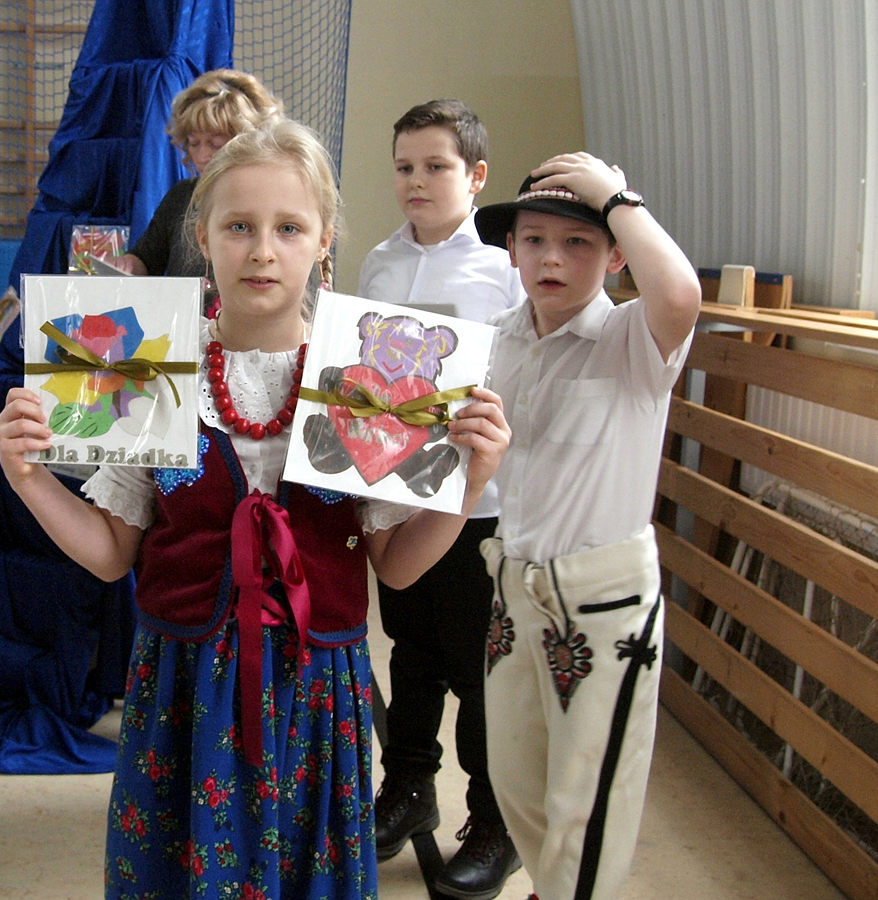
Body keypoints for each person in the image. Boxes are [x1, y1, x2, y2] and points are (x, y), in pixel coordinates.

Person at [0, 119, 511, 899]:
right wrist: (30, 477)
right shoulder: (153, 363)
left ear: (324, 241)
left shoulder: (364, 378)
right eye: (238, 226)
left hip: (316, 690)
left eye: (288, 228)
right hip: (183, 687)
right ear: (202, 237)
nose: (262, 250)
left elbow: (399, 569)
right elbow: (109, 553)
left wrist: (468, 487)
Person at [473, 152, 701, 900]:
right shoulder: (496, 338)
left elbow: (682, 293)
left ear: (614, 255)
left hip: (602, 604)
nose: (552, 259)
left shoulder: (636, 337)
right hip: (514, 589)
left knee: (588, 799)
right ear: (512, 249)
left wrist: (615, 197)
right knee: (517, 779)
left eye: (578, 242)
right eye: (535, 240)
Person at [358, 99, 525, 900]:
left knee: (477, 670)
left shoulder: (503, 271)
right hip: (398, 495)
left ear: (476, 175)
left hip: (476, 506)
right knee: (411, 650)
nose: (416, 181)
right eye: (404, 167)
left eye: (436, 166)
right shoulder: (379, 263)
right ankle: (408, 786)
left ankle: (494, 820)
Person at [112, 68, 283, 284]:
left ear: (251, 142)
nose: (202, 156)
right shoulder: (182, 196)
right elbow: (146, 259)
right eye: (194, 143)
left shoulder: (276, 199)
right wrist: (127, 264)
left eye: (216, 144)